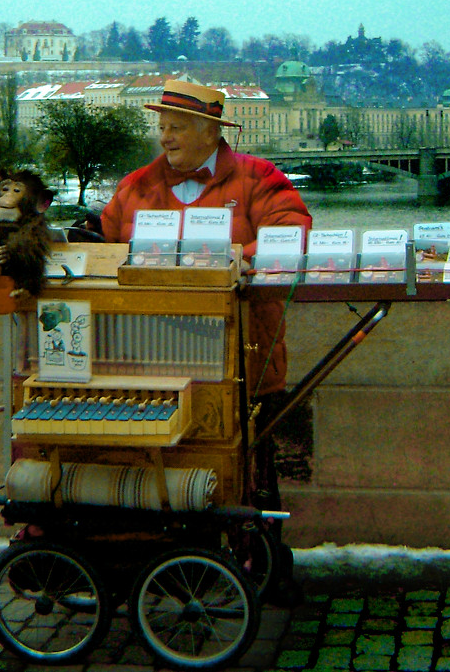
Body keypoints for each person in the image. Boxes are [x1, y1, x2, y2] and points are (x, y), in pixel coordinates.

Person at [100, 81, 311, 588]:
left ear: (210, 131)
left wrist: (247, 258)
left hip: (244, 355)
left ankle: (261, 569)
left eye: (175, 127)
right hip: (155, 358)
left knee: (252, 471)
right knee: (167, 467)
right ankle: (171, 569)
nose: (164, 137)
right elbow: (103, 246)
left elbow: (295, 229)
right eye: (162, 127)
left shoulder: (260, 177)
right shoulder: (134, 187)